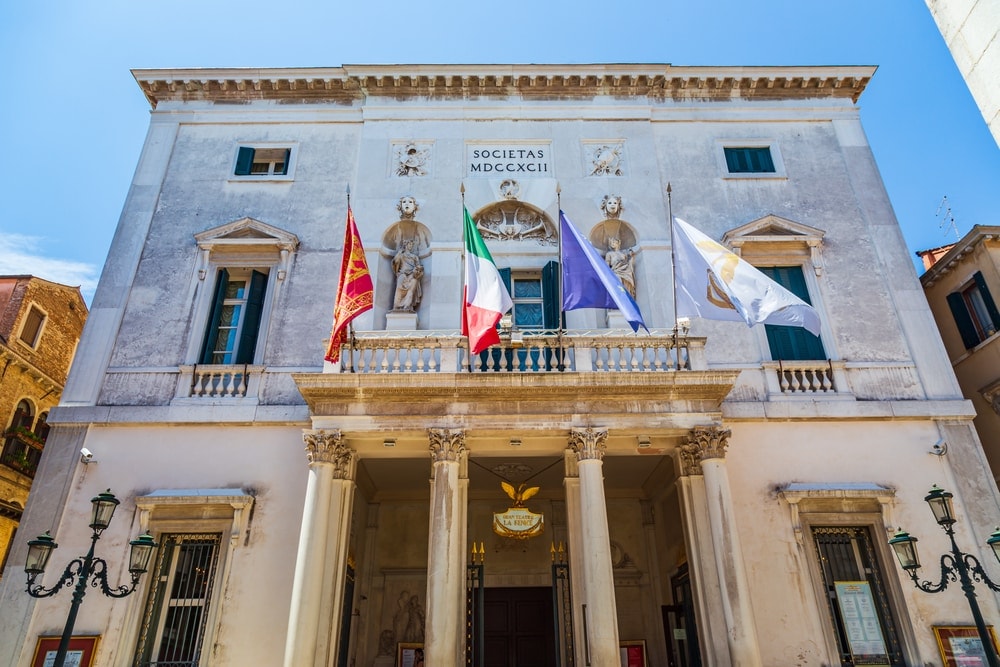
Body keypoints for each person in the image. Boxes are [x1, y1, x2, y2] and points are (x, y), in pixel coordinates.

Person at [392, 239, 424, 312]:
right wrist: (399, 254)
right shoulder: (401, 255)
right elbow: (395, 263)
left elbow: (419, 267)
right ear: (405, 245)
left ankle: (407, 306)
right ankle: (397, 306)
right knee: (399, 288)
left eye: (411, 245)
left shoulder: (415, 257)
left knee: (411, 290)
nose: (411, 246)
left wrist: (417, 270)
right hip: (402, 274)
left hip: (413, 275)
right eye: (409, 244)